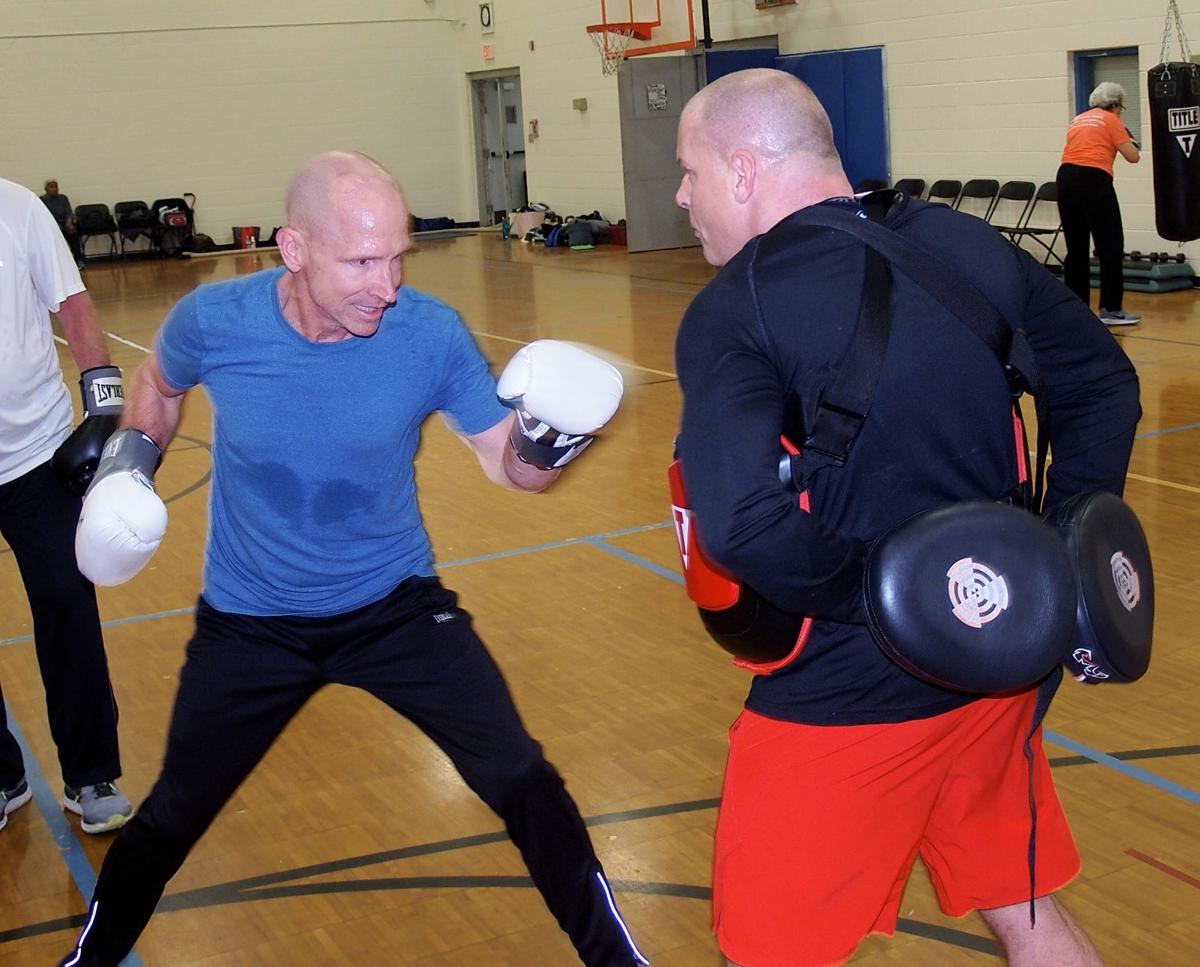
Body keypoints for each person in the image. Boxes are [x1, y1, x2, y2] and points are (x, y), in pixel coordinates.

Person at [58, 151, 648, 967]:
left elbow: (506, 465)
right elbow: (158, 384)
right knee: (176, 810)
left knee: (520, 774)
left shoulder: (428, 334)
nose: (388, 283)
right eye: (363, 260)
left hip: (394, 605)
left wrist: (553, 442)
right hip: (251, 619)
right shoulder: (216, 321)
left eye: (398, 256)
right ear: (293, 250)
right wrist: (130, 460)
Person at [672, 70, 1140, 966]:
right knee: (1023, 904)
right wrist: (1053, 564)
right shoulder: (963, 241)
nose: (682, 194)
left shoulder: (739, 305)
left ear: (741, 169)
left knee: (770, 951)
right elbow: (1101, 386)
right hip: (1001, 662)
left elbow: (738, 525)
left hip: (851, 692)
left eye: (689, 169)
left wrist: (899, 600)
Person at [0, 176, 133, 836]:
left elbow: (73, 306)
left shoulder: (17, 208)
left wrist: (104, 405)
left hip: (34, 452)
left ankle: (91, 774)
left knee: (66, 605)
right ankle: (2, 774)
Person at [1057, 81, 1142, 325]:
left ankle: (1077, 308)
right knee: (1111, 245)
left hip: (1065, 178)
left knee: (1077, 247)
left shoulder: (1079, 119)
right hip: (1093, 179)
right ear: (1115, 105)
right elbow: (1132, 156)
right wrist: (1128, 136)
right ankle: (1111, 309)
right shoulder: (1112, 120)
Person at [40, 179, 86, 269]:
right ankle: (58, 263)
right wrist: (56, 226)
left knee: (73, 233)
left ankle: (78, 260)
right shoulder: (42, 200)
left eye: (56, 187)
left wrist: (69, 223)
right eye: (51, 187)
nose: (54, 189)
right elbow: (44, 216)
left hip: (65, 223)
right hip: (52, 225)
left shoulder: (63, 198)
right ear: (46, 189)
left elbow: (69, 212)